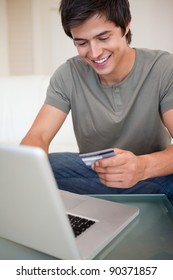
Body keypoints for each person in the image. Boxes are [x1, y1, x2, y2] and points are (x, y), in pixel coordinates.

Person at [21, 0, 173, 204]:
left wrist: (142, 166)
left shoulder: (163, 68)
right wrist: (27, 170)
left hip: (152, 177)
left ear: (125, 25)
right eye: (82, 43)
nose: (94, 53)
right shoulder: (68, 74)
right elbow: (38, 135)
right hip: (95, 176)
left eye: (103, 38)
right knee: (39, 167)